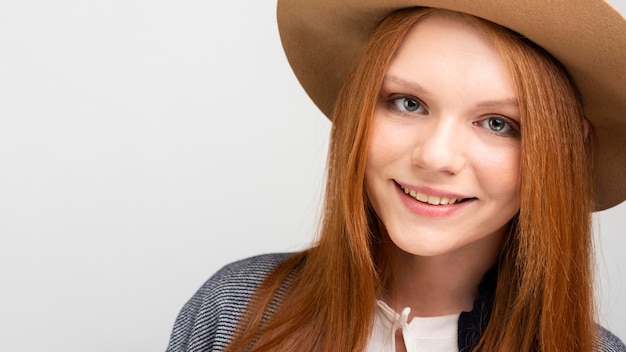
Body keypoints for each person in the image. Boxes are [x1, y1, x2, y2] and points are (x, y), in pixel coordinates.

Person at [166, 0, 626, 351]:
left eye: (498, 123)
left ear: (564, 150)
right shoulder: (235, 309)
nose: (436, 156)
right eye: (408, 103)